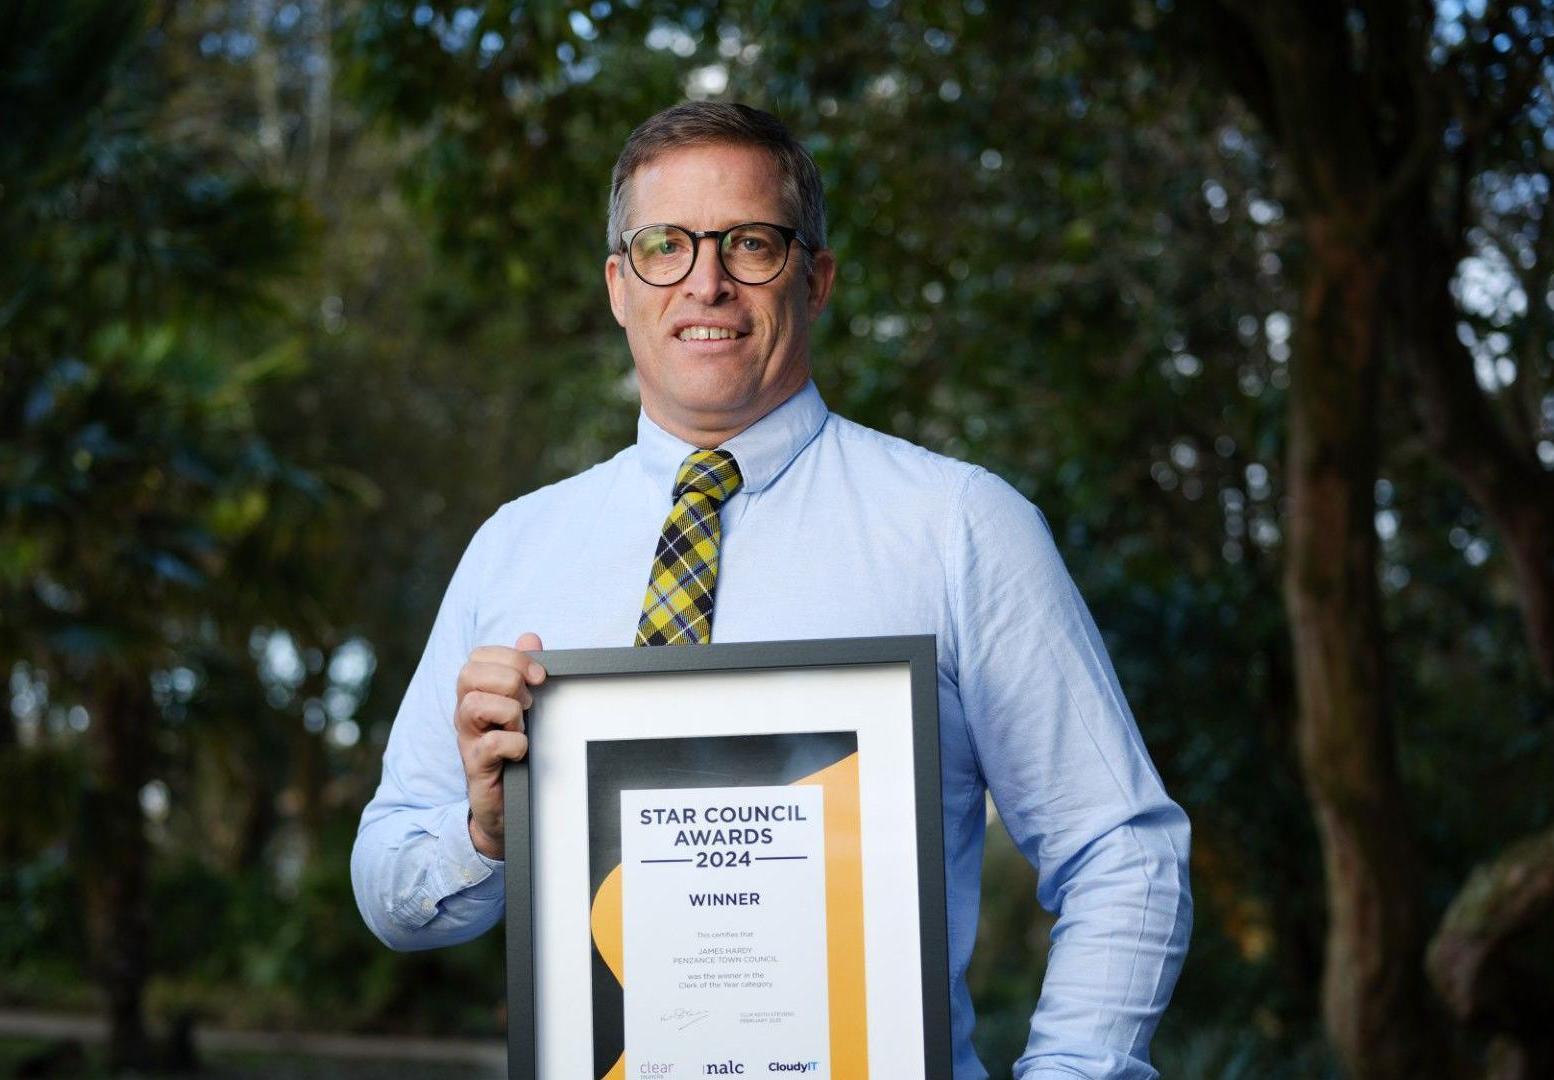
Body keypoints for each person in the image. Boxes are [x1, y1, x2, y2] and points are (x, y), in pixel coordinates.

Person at [353, 101, 1191, 1079]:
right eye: (665, 245)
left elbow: (1124, 857)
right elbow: (390, 887)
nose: (705, 282)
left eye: (750, 243)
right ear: (620, 287)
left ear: (816, 278)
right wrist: (484, 836)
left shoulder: (961, 527)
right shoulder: (513, 548)